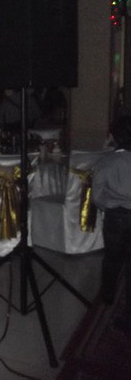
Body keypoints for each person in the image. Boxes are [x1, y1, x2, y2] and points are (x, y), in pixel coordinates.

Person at [92, 115, 131, 336]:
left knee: (112, 259)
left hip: (116, 218)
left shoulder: (106, 162)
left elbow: (98, 198)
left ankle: (107, 296)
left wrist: (113, 204)